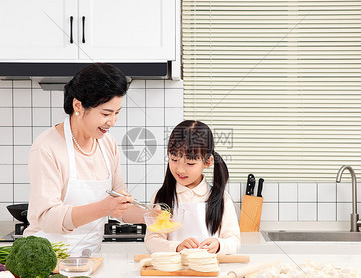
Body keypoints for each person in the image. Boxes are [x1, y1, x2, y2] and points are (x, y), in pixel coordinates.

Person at [24, 63, 147, 256]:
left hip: (89, 260)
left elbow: (119, 208)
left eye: (117, 113)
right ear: (78, 106)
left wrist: (151, 216)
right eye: (106, 114)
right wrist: (104, 207)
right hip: (47, 260)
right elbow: (47, 217)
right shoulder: (47, 147)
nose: (112, 122)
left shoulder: (108, 145)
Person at [145, 120, 240, 254]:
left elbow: (233, 240)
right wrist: (176, 247)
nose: (180, 169)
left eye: (190, 163)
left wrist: (219, 245)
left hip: (210, 272)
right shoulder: (162, 196)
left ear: (207, 162)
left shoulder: (221, 198)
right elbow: (152, 240)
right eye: (174, 159)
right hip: (171, 272)